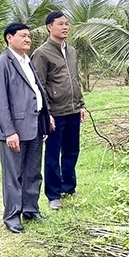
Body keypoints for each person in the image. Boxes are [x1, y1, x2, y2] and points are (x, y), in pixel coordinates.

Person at [0, 23, 52, 233]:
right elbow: (0, 100)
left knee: (33, 171)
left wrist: (46, 115)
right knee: (13, 174)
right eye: (23, 36)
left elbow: (36, 91)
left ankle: (30, 209)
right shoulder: (0, 63)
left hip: (34, 125)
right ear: (9, 38)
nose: (27, 39)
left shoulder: (27, 60)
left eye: (29, 36)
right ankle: (12, 215)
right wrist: (9, 132)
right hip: (14, 128)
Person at [31, 11, 86, 210]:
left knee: (72, 150)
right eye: (60, 24)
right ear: (49, 27)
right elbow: (39, 85)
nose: (65, 27)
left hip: (73, 110)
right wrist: (47, 114)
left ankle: (68, 187)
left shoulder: (71, 51)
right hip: (55, 113)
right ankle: (53, 194)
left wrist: (80, 104)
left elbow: (75, 79)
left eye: (67, 24)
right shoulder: (42, 53)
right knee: (53, 154)